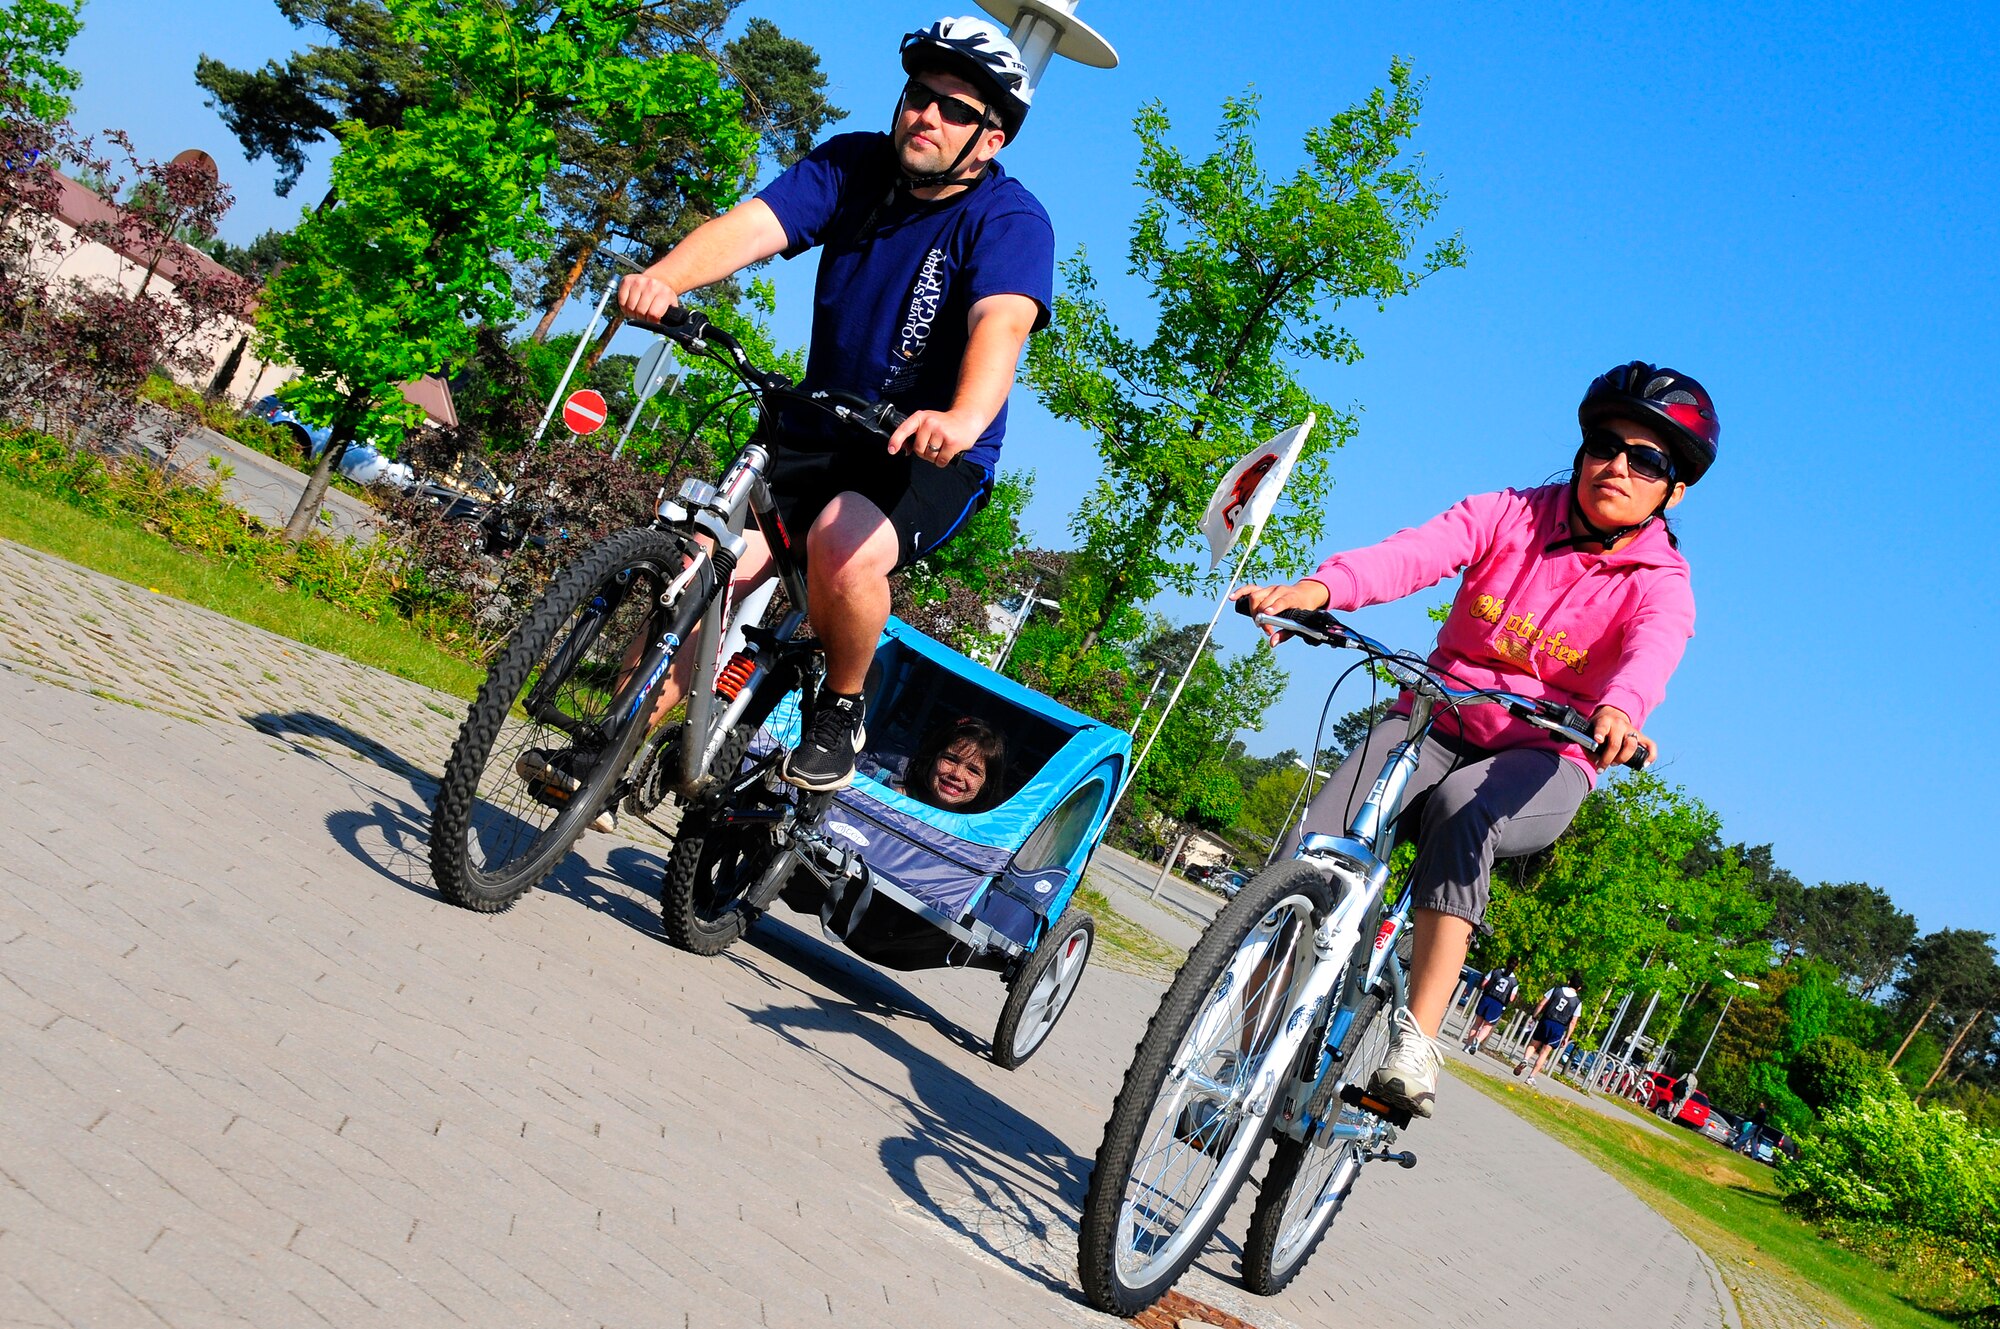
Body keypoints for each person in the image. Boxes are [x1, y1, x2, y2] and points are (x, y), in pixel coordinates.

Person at [549, 17, 1052, 827]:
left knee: (840, 546)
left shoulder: (1009, 221)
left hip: (926, 453)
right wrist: (665, 278)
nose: (924, 115)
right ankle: (604, 753)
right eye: (918, 95)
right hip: (819, 422)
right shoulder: (853, 166)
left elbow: (1003, 322)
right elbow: (755, 226)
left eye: (952, 109)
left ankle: (842, 710)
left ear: (989, 139)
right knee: (705, 565)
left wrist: (959, 417)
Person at [1237, 361, 1718, 1120]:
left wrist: (1620, 713)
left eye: (1647, 459)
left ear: (1674, 488)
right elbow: (1412, 553)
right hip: (1437, 714)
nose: (1617, 466)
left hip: (1545, 754)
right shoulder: (1511, 513)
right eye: (1603, 445)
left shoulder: (1660, 581)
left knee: (1467, 806)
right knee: (1315, 850)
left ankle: (1415, 1041)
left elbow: (1651, 652)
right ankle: (1238, 1056)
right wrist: (1316, 590)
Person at [900, 715, 1007, 812]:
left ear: (986, 785)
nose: (957, 774)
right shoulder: (898, 800)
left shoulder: (974, 831)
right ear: (932, 759)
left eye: (973, 770)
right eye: (950, 759)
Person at [1515, 975, 1585, 1087]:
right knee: (1544, 1052)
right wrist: (1567, 1037)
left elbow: (1542, 1003)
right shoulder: (1577, 1002)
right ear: (1579, 988)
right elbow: (1573, 1022)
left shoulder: (1556, 990)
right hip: (1559, 1027)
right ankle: (1531, 1076)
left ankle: (1526, 1059)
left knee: (1534, 1043)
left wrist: (1535, 1015)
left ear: (1568, 981)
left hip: (1546, 1020)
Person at [1462, 958, 1520, 1055]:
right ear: (1516, 967)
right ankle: (1477, 1040)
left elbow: (1484, 983)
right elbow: (1511, 998)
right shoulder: (1514, 982)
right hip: (1498, 1004)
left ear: (1506, 962)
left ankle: (1467, 1046)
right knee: (1487, 1027)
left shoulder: (1495, 971)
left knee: (1476, 1024)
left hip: (1486, 998)